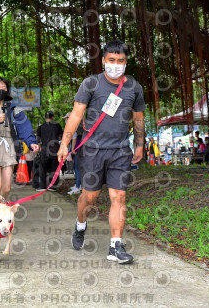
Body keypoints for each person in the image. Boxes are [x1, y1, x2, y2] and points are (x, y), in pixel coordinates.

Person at [58, 40, 146, 264]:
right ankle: (80, 224)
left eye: (121, 61)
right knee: (90, 197)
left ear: (126, 62)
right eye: (112, 60)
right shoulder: (91, 84)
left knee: (119, 196)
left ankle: (115, 246)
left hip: (119, 151)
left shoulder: (134, 87)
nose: (116, 65)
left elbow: (138, 118)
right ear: (104, 60)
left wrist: (139, 144)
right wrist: (64, 143)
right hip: (92, 151)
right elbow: (77, 114)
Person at [0, 76, 39, 200]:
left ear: (7, 90)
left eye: (3, 87)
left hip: (9, 147)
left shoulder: (15, 109)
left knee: (6, 189)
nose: (0, 89)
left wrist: (31, 142)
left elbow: (25, 128)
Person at [35, 111, 63, 191]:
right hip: (55, 149)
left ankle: (42, 186)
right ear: (52, 117)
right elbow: (61, 137)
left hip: (44, 149)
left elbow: (38, 140)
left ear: (45, 117)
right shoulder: (57, 126)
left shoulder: (41, 127)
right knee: (54, 168)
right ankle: (53, 186)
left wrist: (39, 150)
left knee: (42, 168)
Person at [65, 113, 83, 195]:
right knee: (77, 167)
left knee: (77, 167)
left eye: (66, 118)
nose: (65, 120)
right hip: (78, 149)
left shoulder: (74, 126)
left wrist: (72, 150)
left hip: (78, 150)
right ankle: (78, 185)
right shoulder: (77, 125)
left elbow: (74, 138)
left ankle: (78, 186)